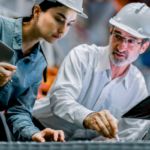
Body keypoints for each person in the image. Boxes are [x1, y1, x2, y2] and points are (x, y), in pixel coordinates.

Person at [33, 2, 150, 141]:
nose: (121, 47)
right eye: (118, 36)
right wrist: (88, 117)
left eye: (131, 41)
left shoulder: (137, 85)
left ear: (143, 47)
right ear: (110, 33)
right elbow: (60, 100)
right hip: (38, 130)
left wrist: (111, 142)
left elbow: (131, 132)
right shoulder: (83, 56)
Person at [0, 0, 87, 142]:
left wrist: (34, 133)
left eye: (69, 24)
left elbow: (18, 111)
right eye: (59, 19)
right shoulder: (1, 28)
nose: (63, 30)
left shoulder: (39, 63)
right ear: (37, 12)